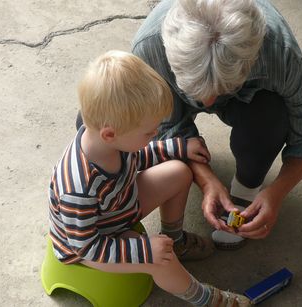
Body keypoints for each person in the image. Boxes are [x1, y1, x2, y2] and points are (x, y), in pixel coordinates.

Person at [51, 50, 252, 306]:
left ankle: (175, 240)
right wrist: (145, 250)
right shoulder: (78, 189)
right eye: (149, 132)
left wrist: (177, 148)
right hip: (93, 243)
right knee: (160, 260)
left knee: (179, 171)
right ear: (111, 134)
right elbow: (87, 247)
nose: (156, 133)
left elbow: (139, 156)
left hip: (118, 208)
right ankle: (206, 298)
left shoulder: (111, 142)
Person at [130, 0, 302, 248]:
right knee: (126, 121)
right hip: (163, 86)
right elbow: (164, 129)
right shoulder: (148, 48)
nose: (207, 102)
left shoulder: (278, 51)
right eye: (196, 93)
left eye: (223, 89)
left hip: (254, 100)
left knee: (271, 114)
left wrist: (277, 192)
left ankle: (246, 190)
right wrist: (206, 179)